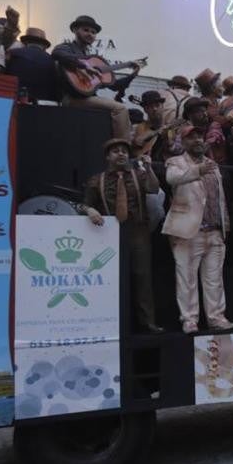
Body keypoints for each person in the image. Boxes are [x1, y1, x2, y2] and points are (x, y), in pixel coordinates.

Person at [83, 138, 163, 333]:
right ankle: (110, 322)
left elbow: (153, 188)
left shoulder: (138, 174)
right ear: (107, 157)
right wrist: (90, 211)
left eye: (124, 151)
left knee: (142, 277)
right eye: (116, 151)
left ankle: (147, 323)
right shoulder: (97, 179)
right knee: (109, 278)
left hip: (138, 231)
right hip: (108, 233)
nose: (121, 154)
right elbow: (84, 203)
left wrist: (150, 167)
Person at [163, 126, 233, 334]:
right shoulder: (175, 162)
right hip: (188, 231)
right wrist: (197, 171)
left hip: (214, 230)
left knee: (214, 279)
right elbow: (172, 179)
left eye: (199, 136)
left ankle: (216, 317)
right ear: (183, 142)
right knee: (186, 278)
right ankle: (189, 319)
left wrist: (225, 225)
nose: (197, 140)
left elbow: (219, 197)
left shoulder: (212, 165)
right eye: (191, 137)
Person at [51, 15, 132, 139]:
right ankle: (122, 148)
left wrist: (133, 74)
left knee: (115, 108)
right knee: (120, 109)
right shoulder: (67, 48)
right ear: (75, 30)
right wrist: (82, 66)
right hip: (72, 98)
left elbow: (115, 86)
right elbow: (57, 53)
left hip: (85, 98)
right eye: (86, 30)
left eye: (93, 32)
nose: (90, 34)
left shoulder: (90, 58)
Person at [4, 27, 62, 103]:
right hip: (44, 107)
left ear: (25, 42)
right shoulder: (53, 61)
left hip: (14, 103)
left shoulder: (12, 53)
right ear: (44, 46)